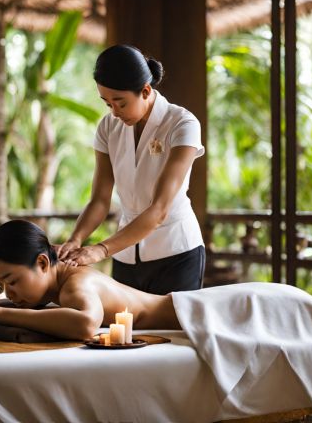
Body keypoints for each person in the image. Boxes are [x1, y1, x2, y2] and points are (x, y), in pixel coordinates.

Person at [57, 44, 205, 295]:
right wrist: (76, 239)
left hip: (177, 254)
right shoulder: (108, 128)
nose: (114, 112)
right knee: (123, 333)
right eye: (107, 104)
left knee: (171, 334)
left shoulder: (182, 124)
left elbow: (159, 210)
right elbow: (100, 199)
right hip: (125, 257)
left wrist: (101, 249)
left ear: (145, 91)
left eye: (120, 103)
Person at [0, 220, 181, 340]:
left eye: (13, 282)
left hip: (189, 315)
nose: (8, 294)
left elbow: (86, 324)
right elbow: (8, 303)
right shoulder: (57, 283)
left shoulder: (76, 284)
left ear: (42, 263)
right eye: (1, 285)